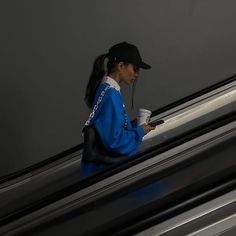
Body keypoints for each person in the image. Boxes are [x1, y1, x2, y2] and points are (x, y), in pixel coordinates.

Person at [80, 42, 155, 178]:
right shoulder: (111, 96)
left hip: (99, 173)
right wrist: (139, 131)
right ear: (121, 66)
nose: (137, 74)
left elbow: (108, 129)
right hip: (103, 175)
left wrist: (134, 126)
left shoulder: (106, 90)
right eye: (135, 68)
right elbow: (114, 142)